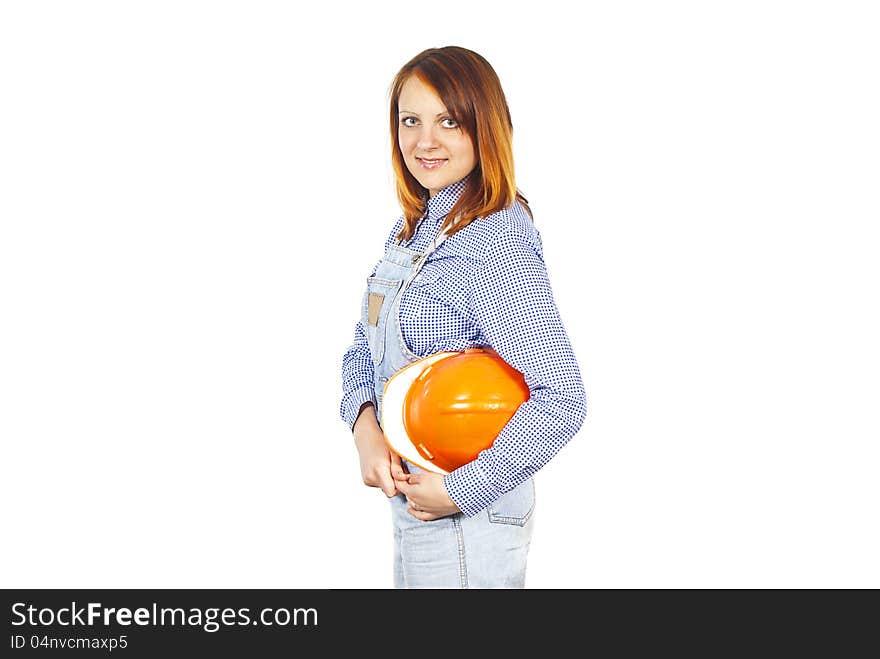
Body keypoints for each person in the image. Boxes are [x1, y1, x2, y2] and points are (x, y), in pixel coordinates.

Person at [339, 46, 587, 588]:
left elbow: (562, 398)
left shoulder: (495, 238)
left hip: (468, 518)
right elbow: (365, 348)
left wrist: (460, 490)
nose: (425, 141)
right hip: (417, 505)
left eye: (448, 121)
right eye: (411, 120)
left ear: (484, 126)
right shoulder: (413, 230)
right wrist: (364, 429)